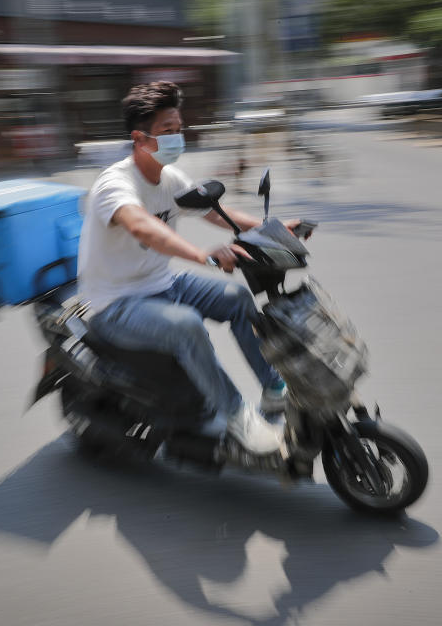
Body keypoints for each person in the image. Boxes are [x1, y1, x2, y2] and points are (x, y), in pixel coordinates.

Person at [77, 81, 299, 455]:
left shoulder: (170, 177)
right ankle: (235, 416)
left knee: (238, 298)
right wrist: (203, 255)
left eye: (179, 130)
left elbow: (213, 211)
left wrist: (270, 229)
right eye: (167, 131)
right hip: (115, 303)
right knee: (187, 327)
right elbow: (141, 225)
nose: (177, 138)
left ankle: (274, 388)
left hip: (163, 283)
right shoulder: (114, 184)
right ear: (140, 138)